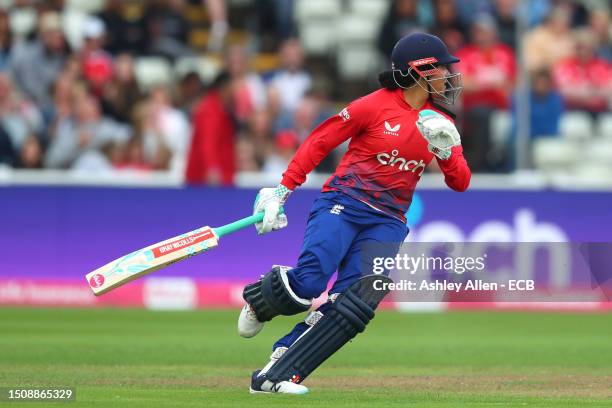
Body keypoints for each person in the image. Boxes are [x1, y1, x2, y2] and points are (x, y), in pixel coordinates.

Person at [237, 33, 471, 394]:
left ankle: (280, 367)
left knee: (354, 304)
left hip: (389, 220)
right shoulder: (372, 106)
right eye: (442, 67)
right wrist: (281, 192)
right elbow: (320, 141)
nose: (448, 75)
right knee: (310, 283)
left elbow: (460, 182)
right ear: (419, 70)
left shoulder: (439, 122)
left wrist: (446, 149)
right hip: (344, 203)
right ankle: (260, 301)